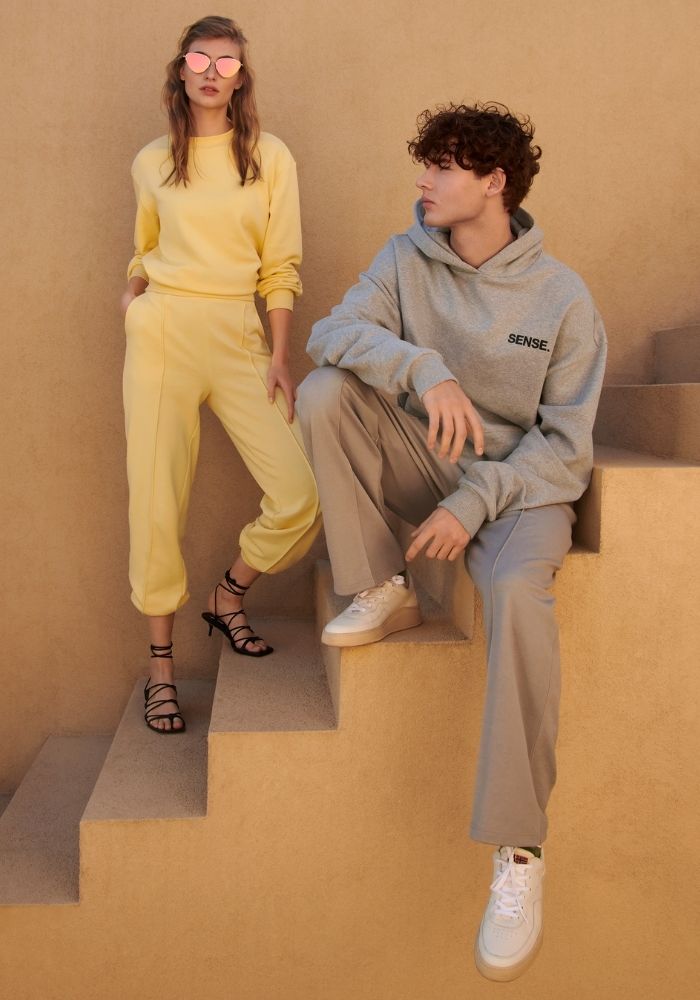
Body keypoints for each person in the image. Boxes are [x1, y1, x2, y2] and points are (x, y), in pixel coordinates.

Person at [296, 102, 606, 981]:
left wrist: (476, 502)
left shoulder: (563, 298)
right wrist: (422, 368)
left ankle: (519, 850)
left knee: (516, 597)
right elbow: (330, 333)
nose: (423, 181)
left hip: (518, 494)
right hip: (426, 460)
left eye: (442, 167)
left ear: (494, 182)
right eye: (425, 164)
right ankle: (380, 585)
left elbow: (565, 450)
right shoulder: (405, 257)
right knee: (324, 393)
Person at [121, 16, 320, 734]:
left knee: (299, 493)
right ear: (181, 71)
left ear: (241, 78)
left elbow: (280, 264)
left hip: (239, 333)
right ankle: (162, 671)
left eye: (227, 63)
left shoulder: (269, 157)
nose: (211, 73)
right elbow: (145, 246)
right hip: (163, 334)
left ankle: (228, 594)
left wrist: (280, 356)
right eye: (200, 60)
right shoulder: (152, 161)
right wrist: (133, 294)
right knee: (156, 503)